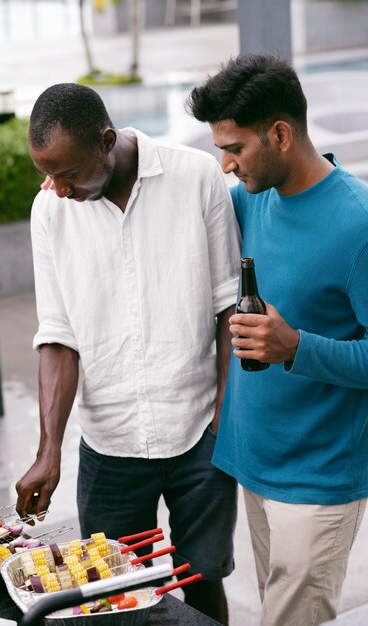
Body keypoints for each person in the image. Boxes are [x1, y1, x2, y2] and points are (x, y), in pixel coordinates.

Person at [15, 82, 241, 623]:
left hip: (200, 439)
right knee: (111, 602)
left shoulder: (195, 177)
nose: (57, 188)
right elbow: (57, 335)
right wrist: (50, 450)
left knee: (203, 581)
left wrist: (224, 422)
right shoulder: (49, 211)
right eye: (46, 173)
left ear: (106, 141)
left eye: (67, 173)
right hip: (109, 447)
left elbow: (228, 311)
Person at [186, 53, 368, 626]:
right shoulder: (251, 196)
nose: (223, 164)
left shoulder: (358, 223)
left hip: (318, 479)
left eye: (234, 147)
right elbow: (173, 197)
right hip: (256, 463)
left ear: (281, 134)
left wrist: (295, 347)